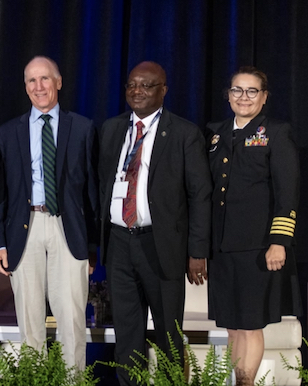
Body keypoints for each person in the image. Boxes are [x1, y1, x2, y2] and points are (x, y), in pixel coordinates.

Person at [99, 61, 211, 385]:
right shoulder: (111, 129)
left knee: (168, 334)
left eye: (147, 85)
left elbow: (199, 196)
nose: (137, 91)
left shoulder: (184, 133)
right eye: (132, 85)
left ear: (164, 90)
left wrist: (197, 251)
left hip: (162, 246)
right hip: (119, 243)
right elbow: (102, 185)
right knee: (127, 334)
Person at [0, 56, 99, 370]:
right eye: (31, 81)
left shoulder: (82, 127)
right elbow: (1, 193)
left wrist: (92, 247)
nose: (39, 87)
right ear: (25, 87)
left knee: (72, 321)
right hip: (25, 228)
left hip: (69, 229)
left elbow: (92, 191)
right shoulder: (8, 133)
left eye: (45, 79)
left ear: (59, 82)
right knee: (30, 321)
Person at [206, 66, 301, 386]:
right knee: (231, 326)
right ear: (228, 95)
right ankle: (237, 380)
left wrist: (279, 241)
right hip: (221, 246)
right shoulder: (215, 133)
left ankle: (247, 383)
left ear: (264, 97)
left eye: (251, 91)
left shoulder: (275, 131)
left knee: (249, 325)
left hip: (257, 246)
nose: (243, 97)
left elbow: (287, 192)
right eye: (237, 90)